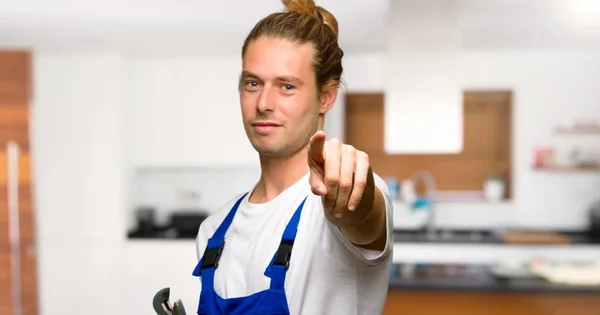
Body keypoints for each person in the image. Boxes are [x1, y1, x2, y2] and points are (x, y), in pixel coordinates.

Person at [192, 0, 394, 314]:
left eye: (286, 86)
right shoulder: (214, 230)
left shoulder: (330, 206)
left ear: (325, 97)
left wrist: (354, 200)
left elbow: (362, 216)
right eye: (253, 83)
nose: (263, 103)